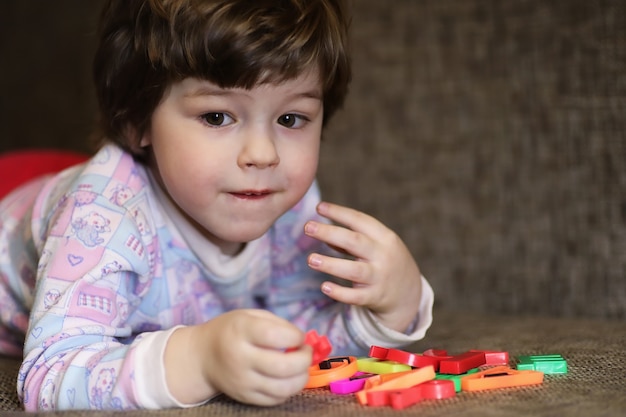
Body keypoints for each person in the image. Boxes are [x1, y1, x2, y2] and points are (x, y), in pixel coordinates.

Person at [0, 0, 434, 411]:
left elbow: (294, 336)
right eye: (217, 116)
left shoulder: (283, 203)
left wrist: (391, 310)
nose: (263, 154)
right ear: (136, 121)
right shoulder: (101, 219)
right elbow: (48, 374)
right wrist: (199, 360)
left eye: (290, 119)